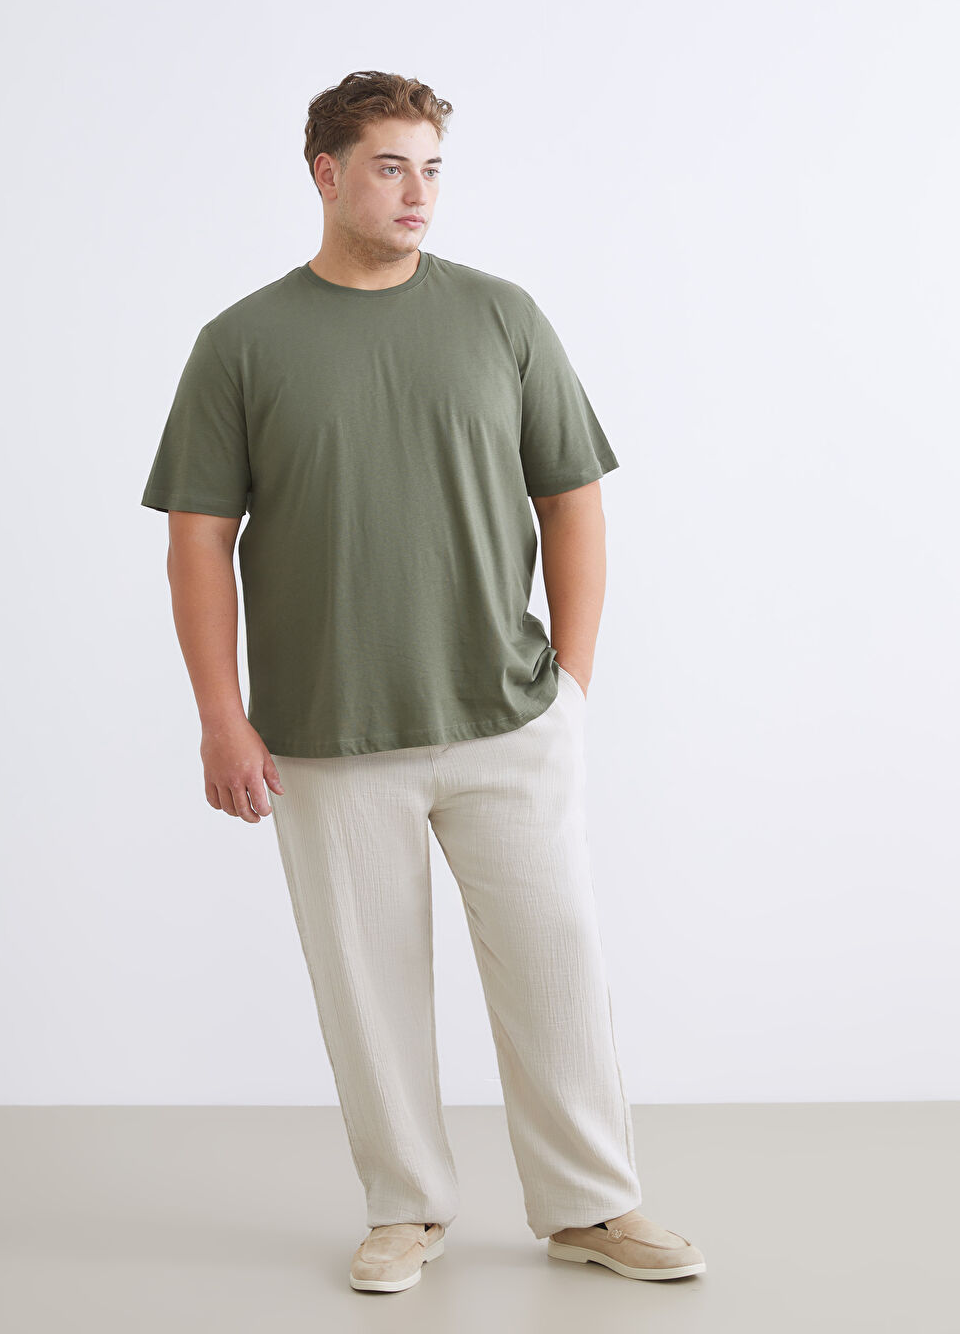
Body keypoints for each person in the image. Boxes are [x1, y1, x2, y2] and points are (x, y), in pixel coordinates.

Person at [140, 68, 706, 1293]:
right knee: (368, 989)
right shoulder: (242, 342)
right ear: (326, 174)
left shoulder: (502, 316)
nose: (418, 192)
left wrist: (573, 686)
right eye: (390, 166)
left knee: (558, 968)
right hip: (327, 732)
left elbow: (572, 498)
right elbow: (198, 540)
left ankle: (591, 1205)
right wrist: (221, 717)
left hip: (507, 715)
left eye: (433, 167)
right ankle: (406, 1208)